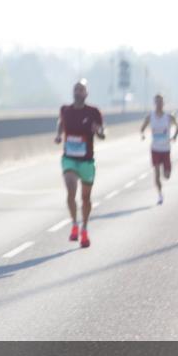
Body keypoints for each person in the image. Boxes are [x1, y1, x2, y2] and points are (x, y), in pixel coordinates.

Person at [55, 80, 104, 248]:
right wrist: (59, 135)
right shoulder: (65, 110)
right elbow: (61, 122)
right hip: (69, 158)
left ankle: (84, 229)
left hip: (87, 160)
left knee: (86, 198)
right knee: (70, 189)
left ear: (86, 93)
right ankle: (74, 224)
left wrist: (98, 131)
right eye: (76, 89)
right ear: (73, 92)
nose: (78, 92)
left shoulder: (94, 112)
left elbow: (102, 133)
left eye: (81, 90)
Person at [140, 94, 178, 204]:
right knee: (156, 174)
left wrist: (175, 136)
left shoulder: (168, 117)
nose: (159, 104)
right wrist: (142, 134)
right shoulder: (150, 117)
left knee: (166, 176)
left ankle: (166, 171)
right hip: (155, 149)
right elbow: (142, 128)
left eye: (161, 102)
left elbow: (177, 127)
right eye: (157, 102)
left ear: (163, 103)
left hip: (166, 149)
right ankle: (160, 195)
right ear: (154, 103)